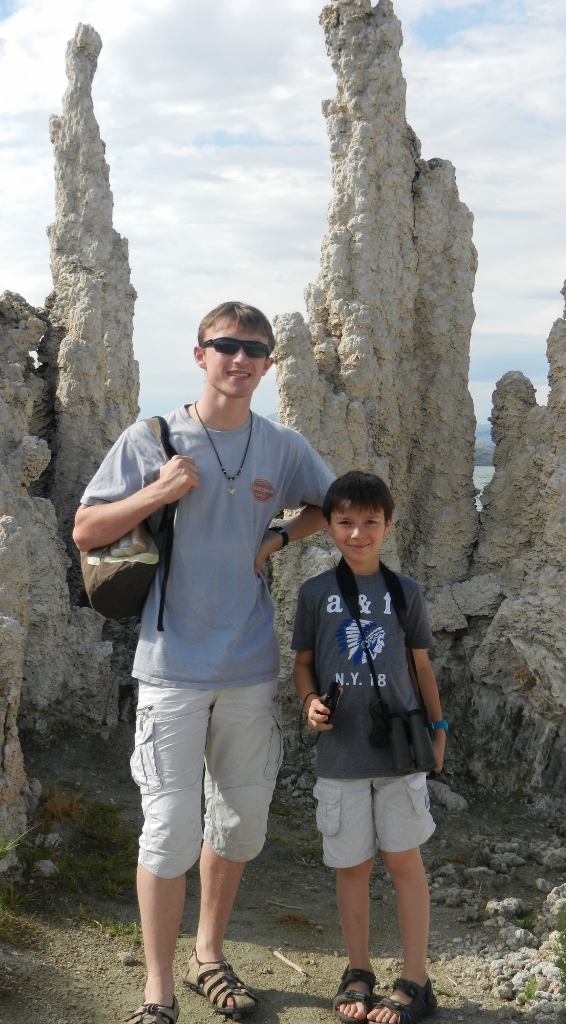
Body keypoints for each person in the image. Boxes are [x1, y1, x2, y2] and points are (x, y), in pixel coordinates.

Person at [73, 301, 335, 1024]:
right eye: (226, 346)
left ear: (270, 365)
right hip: (170, 669)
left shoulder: (281, 447)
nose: (240, 360)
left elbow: (339, 501)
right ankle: (159, 990)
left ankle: (209, 955)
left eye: (255, 350)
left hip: (249, 668)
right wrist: (158, 490)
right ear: (200, 355)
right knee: (167, 830)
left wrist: (278, 539)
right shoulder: (151, 437)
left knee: (241, 821)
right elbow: (86, 528)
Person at [291, 471, 448, 1024]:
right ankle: (357, 970)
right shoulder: (314, 594)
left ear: (388, 525)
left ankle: (416, 979)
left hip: (399, 753)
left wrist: (440, 727)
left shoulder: (405, 592)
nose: (357, 533)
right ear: (329, 525)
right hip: (340, 756)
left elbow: (422, 666)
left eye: (370, 523)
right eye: (345, 522)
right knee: (352, 866)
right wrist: (309, 702)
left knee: (405, 862)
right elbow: (303, 665)